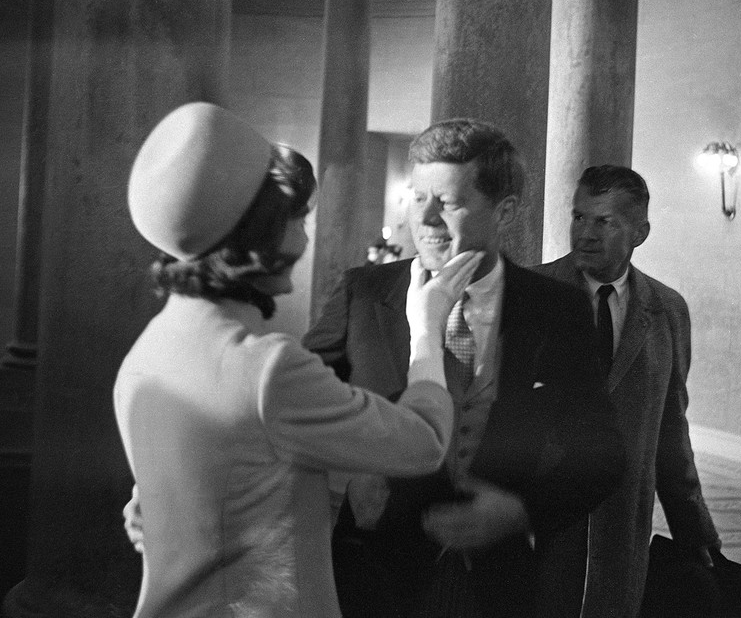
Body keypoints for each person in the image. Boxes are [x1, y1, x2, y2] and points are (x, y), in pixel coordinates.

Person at [116, 102, 484, 618]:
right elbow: (423, 444)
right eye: (298, 218)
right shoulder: (266, 369)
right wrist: (426, 330)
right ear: (261, 232)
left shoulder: (147, 351)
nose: (306, 237)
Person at [304, 118, 624, 617]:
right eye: (418, 197)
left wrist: (521, 511)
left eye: (448, 202)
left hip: (497, 582)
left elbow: (602, 453)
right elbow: (293, 410)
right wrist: (350, 472)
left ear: (505, 211)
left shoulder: (556, 309)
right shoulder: (364, 294)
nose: (426, 218)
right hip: (375, 571)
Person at [532, 164, 720, 618]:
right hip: (538, 521)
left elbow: (670, 429)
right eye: (579, 217)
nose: (586, 233)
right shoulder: (530, 293)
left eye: (605, 221)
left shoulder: (666, 310)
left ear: (640, 232)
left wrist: (692, 525)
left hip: (620, 528)